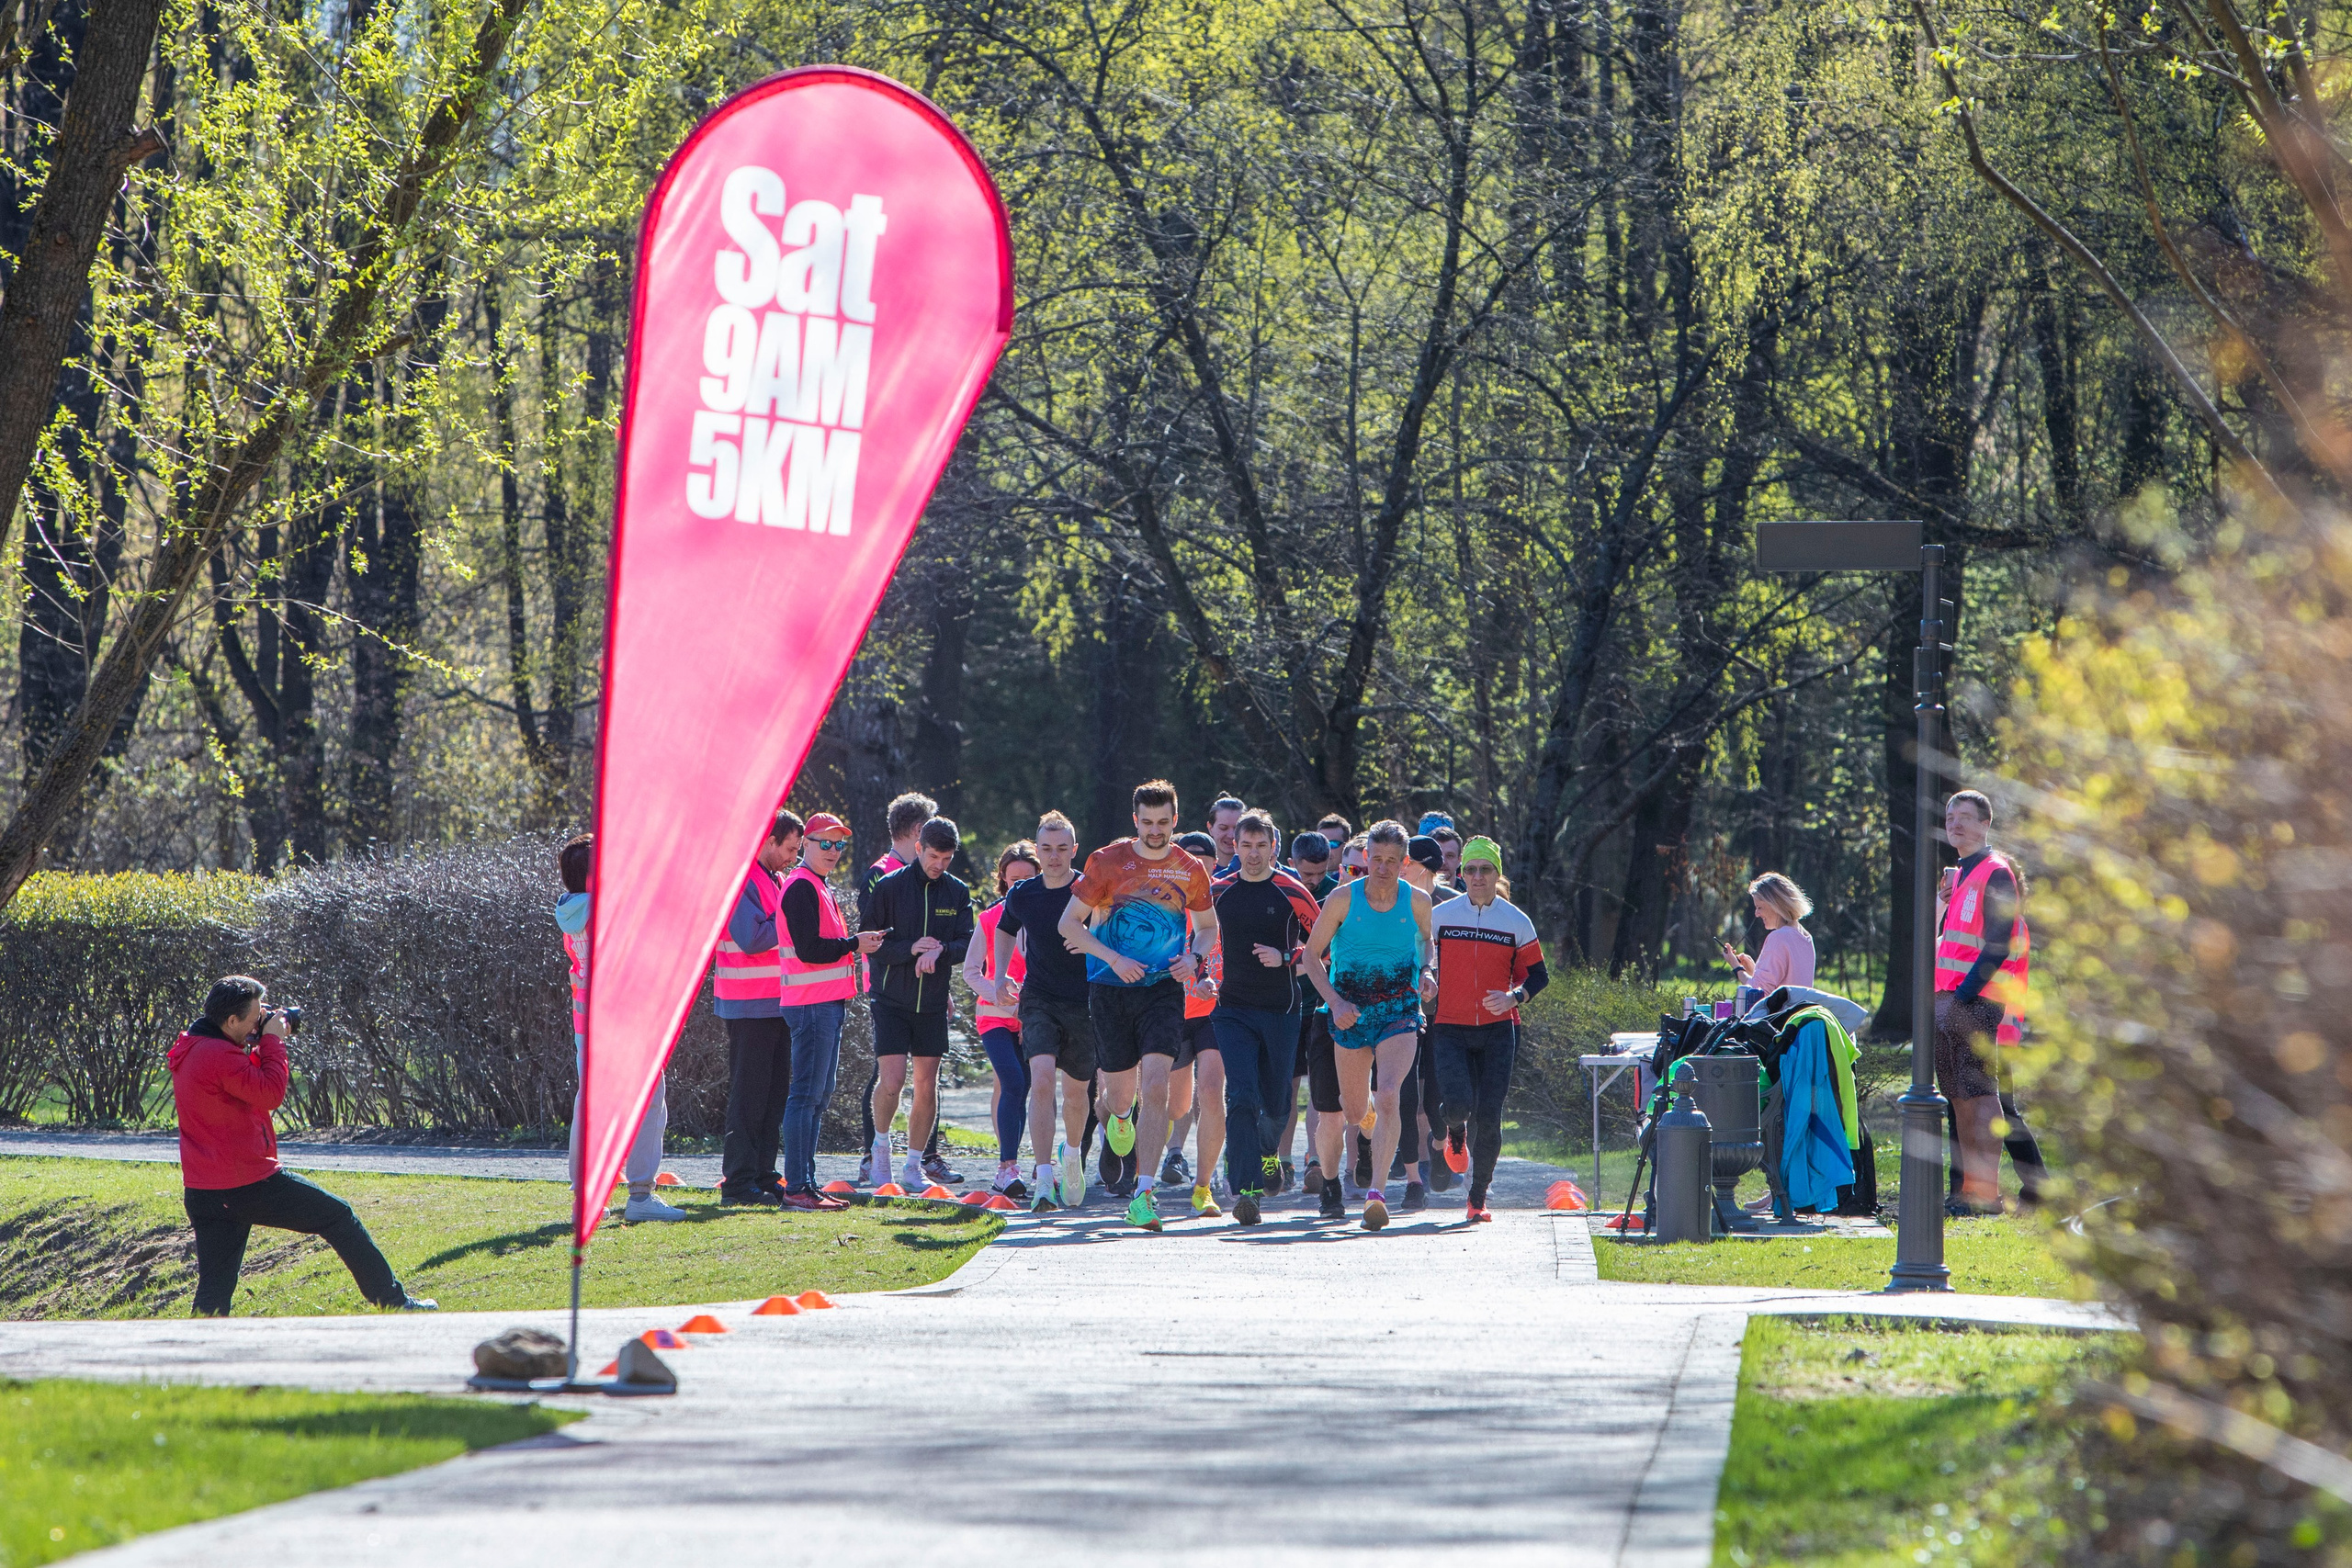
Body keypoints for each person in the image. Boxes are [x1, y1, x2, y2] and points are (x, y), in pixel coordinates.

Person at [172, 976, 435, 1314]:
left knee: (213, 1291)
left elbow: (238, 1086)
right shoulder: (218, 1055)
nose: (260, 1020)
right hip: (246, 1182)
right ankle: (394, 1302)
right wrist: (273, 1042)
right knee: (338, 1216)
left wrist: (259, 1039)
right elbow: (269, 1093)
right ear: (232, 1020)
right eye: (255, 1016)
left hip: (205, 1190)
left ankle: (195, 1356)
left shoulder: (195, 1046)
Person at [1057, 779, 1218, 1233]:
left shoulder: (1189, 868)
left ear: (1175, 818)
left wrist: (1194, 958)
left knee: (1157, 1086)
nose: (1155, 830)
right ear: (1135, 820)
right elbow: (1068, 925)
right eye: (1147, 822)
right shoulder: (1107, 861)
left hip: (1164, 988)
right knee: (1120, 1095)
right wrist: (1113, 957)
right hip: (1110, 988)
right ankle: (1120, 1119)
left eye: (1164, 822)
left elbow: (1207, 926)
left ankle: (1144, 1196)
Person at [1301, 819, 1435, 1230]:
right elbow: (1310, 957)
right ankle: (1337, 1171)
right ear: (1365, 858)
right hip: (1350, 1013)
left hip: (1399, 1010)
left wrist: (1428, 971)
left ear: (1403, 862)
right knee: (1353, 1111)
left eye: (1391, 861)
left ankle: (1377, 1194)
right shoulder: (1342, 900)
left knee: (1392, 1094)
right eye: (1375, 859)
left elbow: (1427, 943)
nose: (1382, 867)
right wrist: (1336, 1002)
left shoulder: (1418, 901)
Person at [559, 833, 683, 1222]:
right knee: (649, 1102)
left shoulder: (571, 912)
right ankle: (641, 1197)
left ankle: (585, 1199)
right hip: (625, 1023)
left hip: (587, 1027)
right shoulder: (611, 912)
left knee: (590, 1107)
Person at [1211, 810, 1322, 1226]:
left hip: (1281, 1009)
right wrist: (1202, 974)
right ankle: (1247, 1191)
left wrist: (1286, 958)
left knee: (1277, 1104)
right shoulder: (1218, 890)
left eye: (1261, 846)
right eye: (1245, 846)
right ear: (1233, 847)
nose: (1253, 854)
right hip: (1231, 1010)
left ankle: (1270, 1152)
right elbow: (1197, 936)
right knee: (1240, 1096)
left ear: (1274, 847)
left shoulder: (1291, 890)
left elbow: (1323, 947)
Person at [1429, 838, 1549, 1222]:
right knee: (1460, 1105)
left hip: (1498, 1031)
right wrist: (1426, 977)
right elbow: (1422, 960)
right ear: (1461, 874)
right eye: (1470, 870)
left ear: (1497, 874)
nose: (1477, 877)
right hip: (1449, 1027)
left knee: (1490, 1116)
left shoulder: (1515, 920)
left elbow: (1539, 976)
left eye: (1486, 870)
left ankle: (1477, 1199)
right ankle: (1455, 1130)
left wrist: (1515, 997)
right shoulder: (1441, 916)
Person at [1934, 789, 2038, 1213]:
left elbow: (1997, 945)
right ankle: (1967, 1192)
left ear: (1985, 824)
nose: (1955, 823)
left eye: (1965, 816)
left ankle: (1986, 1195)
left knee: (1982, 1098)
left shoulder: (1995, 872)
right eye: (1949, 816)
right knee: (1957, 1097)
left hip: (1974, 1002)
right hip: (1949, 1001)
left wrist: (1963, 996)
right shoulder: (1962, 875)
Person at [777, 813, 885, 1210]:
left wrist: (853, 943)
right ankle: (797, 1188)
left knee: (817, 1096)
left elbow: (822, 945)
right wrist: (854, 943)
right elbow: (809, 949)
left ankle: (804, 1183)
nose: (834, 851)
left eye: (840, 845)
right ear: (806, 843)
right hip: (811, 1006)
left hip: (823, 1004)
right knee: (806, 1096)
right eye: (826, 843)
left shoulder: (817, 885)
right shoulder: (801, 887)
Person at [865, 816, 975, 1191]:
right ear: (918, 848)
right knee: (893, 1081)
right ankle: (880, 1153)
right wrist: (911, 950)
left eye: (946, 859)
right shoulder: (889, 887)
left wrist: (941, 951)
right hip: (890, 998)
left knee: (926, 1085)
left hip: (930, 1003)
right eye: (932, 856)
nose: (938, 865)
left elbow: (967, 943)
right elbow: (872, 943)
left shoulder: (957, 892)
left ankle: (914, 1165)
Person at [995, 810, 1097, 1211]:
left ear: (1074, 849)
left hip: (1084, 999)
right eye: (1046, 849)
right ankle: (1042, 1178)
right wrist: (1001, 975)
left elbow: (1111, 929)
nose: (1054, 857)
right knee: (1040, 1081)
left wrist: (1089, 940)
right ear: (1037, 850)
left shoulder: (1091, 891)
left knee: (1076, 1093)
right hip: (1037, 997)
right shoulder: (1023, 893)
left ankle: (1070, 1155)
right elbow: (1004, 930)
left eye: (1061, 849)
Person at [712, 808, 808, 1206]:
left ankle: (764, 1175)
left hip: (776, 1003)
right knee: (749, 1096)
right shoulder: (742, 878)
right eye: (789, 848)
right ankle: (738, 1183)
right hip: (748, 1005)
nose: (793, 857)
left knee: (772, 1096)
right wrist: (791, 920)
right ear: (768, 841)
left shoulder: (776, 877)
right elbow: (751, 939)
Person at [966, 840, 1040, 1201]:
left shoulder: (1051, 916)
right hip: (995, 1017)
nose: (1020, 886)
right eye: (1014, 880)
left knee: (1024, 1088)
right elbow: (970, 972)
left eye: (1028, 878)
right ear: (1003, 881)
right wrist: (997, 990)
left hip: (1034, 1018)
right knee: (1012, 1083)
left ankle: (1026, 1168)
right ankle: (1006, 1167)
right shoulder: (991, 917)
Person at [1162, 831, 1224, 1213]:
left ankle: (1204, 1185)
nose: (1198, 864)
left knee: (1212, 1091)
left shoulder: (1226, 898)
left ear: (1216, 863)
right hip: (1173, 1010)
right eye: (1190, 857)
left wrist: (1214, 982)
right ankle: (1165, 1155)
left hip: (1215, 1011)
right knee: (1177, 1105)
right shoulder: (1164, 900)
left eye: (1206, 858)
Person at [1722, 872, 1817, 1010]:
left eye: (1760, 907)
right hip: (1798, 1021)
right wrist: (1753, 971)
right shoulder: (1806, 937)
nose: (1756, 914)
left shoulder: (1779, 937)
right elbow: (1783, 985)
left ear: (1776, 905)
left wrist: (1736, 967)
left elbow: (1758, 993)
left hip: (1777, 1025)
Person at [1204, 795, 1246, 874]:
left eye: (1237, 829)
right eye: (1223, 828)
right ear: (1210, 828)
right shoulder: (1199, 870)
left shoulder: (1259, 870)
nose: (1231, 835)